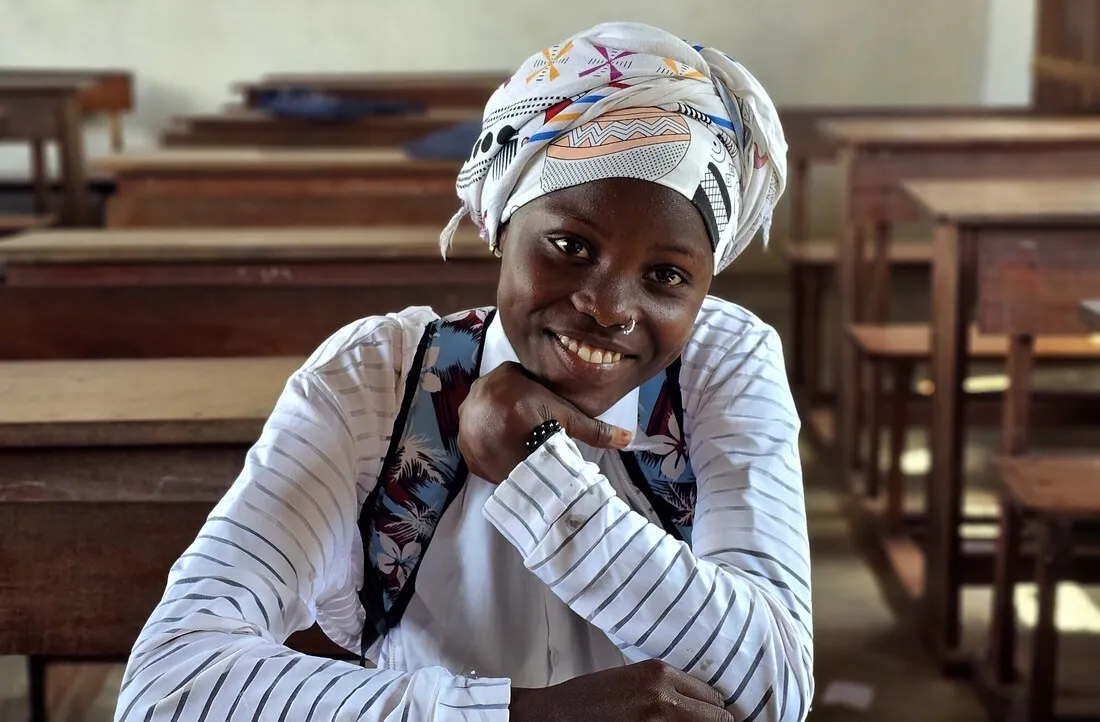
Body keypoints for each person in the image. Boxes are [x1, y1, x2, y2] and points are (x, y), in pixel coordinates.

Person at [115, 21, 812, 721]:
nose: (607, 307)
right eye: (570, 245)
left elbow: (776, 686)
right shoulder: (378, 382)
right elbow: (168, 687)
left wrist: (541, 480)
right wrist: (526, 716)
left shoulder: (718, 364)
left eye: (666, 275)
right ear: (500, 225)